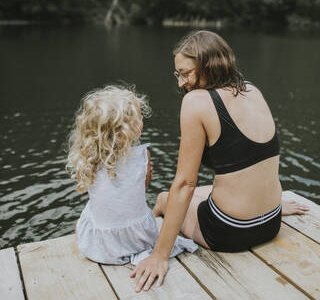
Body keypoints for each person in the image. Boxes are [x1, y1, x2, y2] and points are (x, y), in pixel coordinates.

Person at [131, 30, 309, 292]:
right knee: (207, 191)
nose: (181, 83)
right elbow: (258, 161)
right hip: (272, 219)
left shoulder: (196, 102)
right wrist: (276, 206)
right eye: (177, 74)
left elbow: (185, 184)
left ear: (209, 66)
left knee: (165, 197)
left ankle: (151, 229)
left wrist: (159, 257)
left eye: (186, 73)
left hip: (231, 230)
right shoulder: (252, 90)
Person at [66, 85, 197, 265]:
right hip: (137, 239)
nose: (142, 118)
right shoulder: (142, 156)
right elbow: (141, 189)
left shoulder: (90, 157)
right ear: (128, 129)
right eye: (139, 117)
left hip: (100, 248)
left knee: (86, 214)